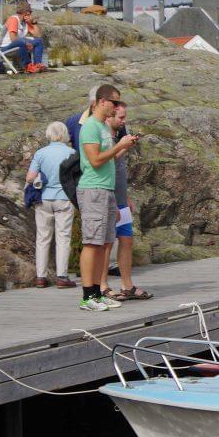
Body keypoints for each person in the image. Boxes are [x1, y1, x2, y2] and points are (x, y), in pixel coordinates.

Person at [77, 84, 138, 311]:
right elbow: (95, 160)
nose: (116, 107)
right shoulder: (91, 126)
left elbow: (108, 159)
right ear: (102, 101)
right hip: (93, 190)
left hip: (107, 190)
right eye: (114, 102)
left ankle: (97, 292)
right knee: (92, 243)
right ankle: (87, 296)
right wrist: (119, 145)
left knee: (103, 243)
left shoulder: (103, 127)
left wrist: (123, 147)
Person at [100, 102, 151, 301]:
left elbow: (119, 170)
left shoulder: (119, 137)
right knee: (106, 243)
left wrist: (126, 196)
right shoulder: (104, 139)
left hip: (120, 197)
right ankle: (102, 285)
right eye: (120, 117)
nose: (124, 121)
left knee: (127, 239)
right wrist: (121, 148)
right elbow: (102, 164)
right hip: (106, 198)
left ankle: (127, 285)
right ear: (109, 117)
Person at [26, 122, 76, 289]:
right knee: (63, 237)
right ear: (64, 134)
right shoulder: (71, 152)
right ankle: (62, 276)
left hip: (44, 199)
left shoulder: (41, 153)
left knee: (43, 237)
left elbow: (29, 178)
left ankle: (41, 276)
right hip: (64, 198)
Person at [0, 2, 45, 73]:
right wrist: (26, 42)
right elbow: (13, 39)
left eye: (30, 13)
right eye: (28, 13)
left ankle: (37, 64)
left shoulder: (25, 22)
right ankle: (28, 66)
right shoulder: (13, 20)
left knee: (39, 41)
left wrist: (33, 23)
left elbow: (38, 35)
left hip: (19, 45)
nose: (29, 15)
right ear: (23, 13)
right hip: (4, 48)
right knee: (21, 42)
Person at [65, 86, 100, 152]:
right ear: (94, 103)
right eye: (103, 103)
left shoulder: (115, 120)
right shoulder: (73, 122)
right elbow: (60, 144)